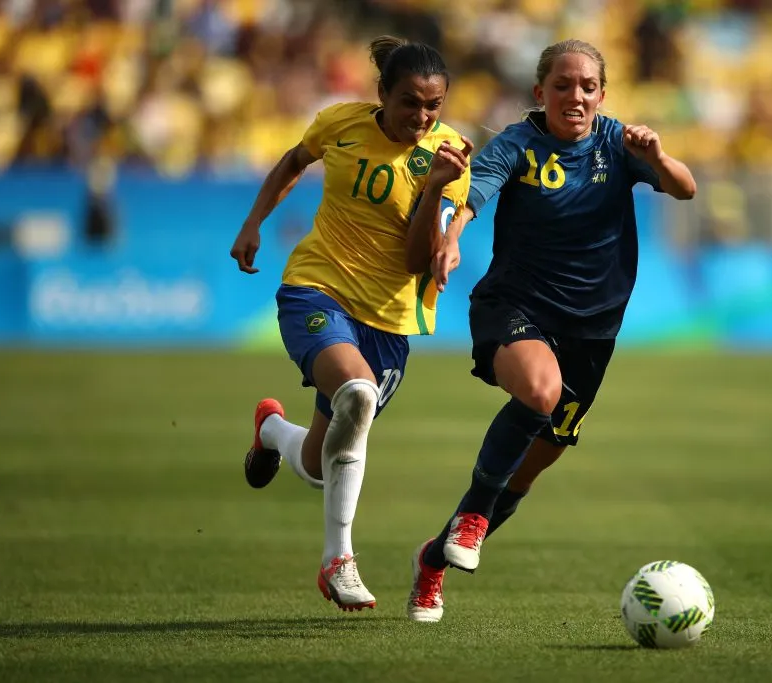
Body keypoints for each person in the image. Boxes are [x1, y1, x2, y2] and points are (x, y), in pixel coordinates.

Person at [405, 39, 696, 623]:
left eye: (588, 86)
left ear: (603, 95)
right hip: (517, 306)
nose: (576, 95)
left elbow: (685, 188)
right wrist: (453, 237)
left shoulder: (618, 142)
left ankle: (435, 559)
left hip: (593, 332)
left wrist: (658, 156)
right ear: (540, 93)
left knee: (529, 469)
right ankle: (472, 518)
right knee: (539, 392)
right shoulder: (517, 144)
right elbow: (472, 197)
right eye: (563, 85)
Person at [230, 36, 472, 612]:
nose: (421, 116)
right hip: (316, 287)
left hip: (386, 322)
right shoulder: (340, 123)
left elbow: (417, 260)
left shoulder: (448, 159)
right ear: (381, 93)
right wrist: (253, 222)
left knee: (318, 464)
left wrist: (437, 185)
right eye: (410, 102)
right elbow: (294, 161)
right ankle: (338, 560)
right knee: (358, 396)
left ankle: (270, 432)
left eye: (433, 105)